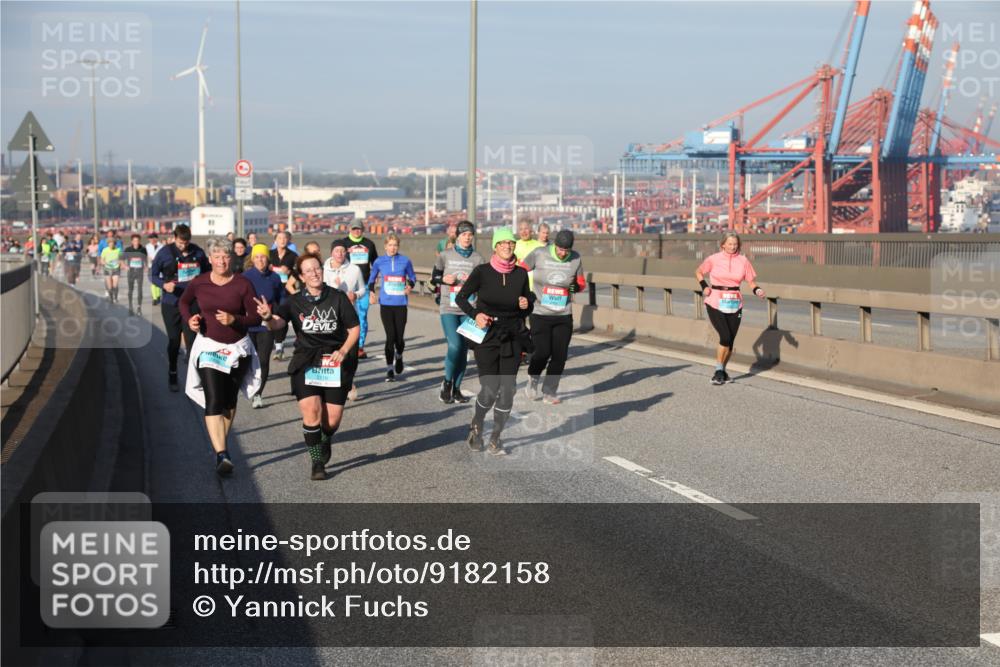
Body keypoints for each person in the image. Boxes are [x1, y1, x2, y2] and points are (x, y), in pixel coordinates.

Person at [255, 253, 360, 481]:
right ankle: (317, 462)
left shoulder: (337, 297)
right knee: (311, 412)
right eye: (308, 270)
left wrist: (343, 351)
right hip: (306, 360)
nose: (314, 273)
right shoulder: (294, 301)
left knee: (331, 421)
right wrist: (268, 317)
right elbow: (277, 323)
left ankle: (325, 437)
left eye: (317, 268)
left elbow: (354, 328)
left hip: (334, 361)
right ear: (301, 277)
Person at [180, 237, 262, 475]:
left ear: (232, 258)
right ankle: (222, 454)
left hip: (237, 349)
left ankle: (220, 446)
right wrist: (191, 320)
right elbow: (184, 303)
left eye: (226, 256)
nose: (222, 261)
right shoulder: (199, 282)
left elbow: (255, 317)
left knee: (229, 401)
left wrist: (235, 319)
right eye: (217, 257)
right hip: (209, 347)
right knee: (214, 399)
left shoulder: (243, 284)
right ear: (210, 259)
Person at [455, 228, 534, 456]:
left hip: (512, 335)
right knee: (490, 389)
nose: (508, 246)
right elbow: (461, 297)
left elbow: (526, 303)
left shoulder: (520, 274)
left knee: (508, 390)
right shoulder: (482, 272)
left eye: (511, 243)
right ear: (495, 247)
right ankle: (477, 425)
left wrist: (526, 304)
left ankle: (496, 438)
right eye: (503, 243)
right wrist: (476, 314)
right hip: (487, 336)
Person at [523, 230, 585, 404]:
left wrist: (576, 287)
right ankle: (533, 377)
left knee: (560, 355)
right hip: (540, 312)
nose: (563, 253)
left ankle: (549, 391)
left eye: (566, 250)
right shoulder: (539, 253)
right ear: (554, 244)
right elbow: (520, 270)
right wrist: (524, 293)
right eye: (560, 249)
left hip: (563, 314)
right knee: (542, 352)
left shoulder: (576, 258)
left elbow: (581, 282)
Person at [695, 233, 765, 385]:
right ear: (723, 245)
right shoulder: (714, 259)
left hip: (735, 302)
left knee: (730, 341)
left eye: (735, 244)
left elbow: (751, 281)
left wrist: (757, 290)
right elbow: (698, 272)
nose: (733, 247)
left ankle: (723, 371)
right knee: (725, 337)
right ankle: (718, 371)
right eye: (730, 244)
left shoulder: (743, 261)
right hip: (715, 301)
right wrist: (704, 286)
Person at [150, 224, 210, 392]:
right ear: (174, 238)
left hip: (192, 303)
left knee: (192, 341)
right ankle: (173, 372)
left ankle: (194, 378)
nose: (183, 246)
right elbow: (152, 275)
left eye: (186, 243)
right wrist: (164, 285)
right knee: (174, 341)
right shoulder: (164, 253)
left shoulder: (198, 252)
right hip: (171, 303)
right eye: (180, 243)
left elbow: (208, 273)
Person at [431, 220, 484, 403]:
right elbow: (434, 277)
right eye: (464, 234)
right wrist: (443, 280)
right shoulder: (445, 255)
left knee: (463, 351)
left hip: (469, 309)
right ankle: (447, 382)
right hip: (449, 307)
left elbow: (483, 284)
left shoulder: (478, 259)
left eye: (470, 235)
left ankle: (457, 389)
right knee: (455, 346)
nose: (467, 238)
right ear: (458, 236)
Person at [368, 234, 416, 382]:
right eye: (390, 245)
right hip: (386, 304)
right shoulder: (379, 261)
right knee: (390, 337)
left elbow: (413, 277)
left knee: (399, 339)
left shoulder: (405, 261)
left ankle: (399, 356)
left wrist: (410, 286)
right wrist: (371, 292)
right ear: (385, 246)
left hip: (401, 304)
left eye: (395, 245)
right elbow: (371, 279)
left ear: (398, 246)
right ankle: (389, 369)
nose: (393, 248)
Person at [243, 244, 285, 409]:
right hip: (248, 325)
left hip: (266, 325)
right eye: (257, 257)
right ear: (252, 259)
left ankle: (258, 394)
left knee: (263, 360)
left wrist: (278, 314)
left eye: (263, 257)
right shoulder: (245, 277)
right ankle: (246, 384)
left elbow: (282, 298)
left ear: (268, 259)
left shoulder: (274, 278)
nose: (260, 260)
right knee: (247, 360)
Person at [323, 243, 366, 401]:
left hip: (349, 316)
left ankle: (349, 381)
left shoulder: (354, 269)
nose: (340, 253)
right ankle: (332, 384)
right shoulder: (323, 270)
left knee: (351, 355)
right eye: (337, 251)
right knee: (331, 351)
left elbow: (363, 289)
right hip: (329, 316)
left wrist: (355, 295)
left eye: (342, 251)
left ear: (346, 252)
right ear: (331, 252)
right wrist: (333, 289)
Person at [333, 221, 378, 358]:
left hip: (364, 286)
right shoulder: (343, 243)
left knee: (362, 316)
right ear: (349, 229)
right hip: (347, 286)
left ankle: (359, 346)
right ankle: (344, 343)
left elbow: (375, 265)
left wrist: (373, 286)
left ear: (363, 229)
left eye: (359, 228)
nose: (356, 231)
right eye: (354, 228)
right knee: (344, 317)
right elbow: (336, 260)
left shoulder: (369, 244)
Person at [268, 231, 299, 360]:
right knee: (271, 316)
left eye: (285, 238)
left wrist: (290, 271)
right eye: (280, 238)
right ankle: (274, 342)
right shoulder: (269, 254)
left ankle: (279, 346)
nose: (282, 240)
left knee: (282, 317)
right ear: (275, 240)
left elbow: (298, 272)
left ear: (288, 240)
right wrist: (269, 268)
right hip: (270, 290)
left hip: (285, 291)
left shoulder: (293, 256)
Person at [122, 234, 148, 316]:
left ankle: (139, 307)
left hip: (140, 272)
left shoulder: (143, 249)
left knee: (140, 290)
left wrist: (146, 266)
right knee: (131, 290)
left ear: (139, 241)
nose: (136, 242)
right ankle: (130, 307)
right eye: (134, 241)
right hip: (131, 272)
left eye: (137, 241)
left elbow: (145, 259)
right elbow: (121, 259)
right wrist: (125, 266)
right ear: (132, 241)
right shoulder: (128, 249)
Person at [99, 233, 122, 303]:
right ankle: (111, 298)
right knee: (110, 286)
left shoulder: (118, 250)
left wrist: (120, 263)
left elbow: (121, 259)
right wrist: (104, 263)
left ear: (115, 244)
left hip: (116, 269)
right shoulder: (105, 250)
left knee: (115, 284)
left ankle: (116, 297)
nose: (111, 244)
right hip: (107, 269)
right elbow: (102, 260)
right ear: (108, 244)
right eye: (109, 243)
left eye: (112, 243)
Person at [146, 233, 163, 305]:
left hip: (160, 266)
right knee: (153, 281)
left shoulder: (161, 246)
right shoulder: (147, 246)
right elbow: (146, 256)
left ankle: (158, 296)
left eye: (153, 238)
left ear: (156, 238)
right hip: (151, 266)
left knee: (158, 281)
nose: (152, 240)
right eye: (150, 239)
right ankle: (155, 298)